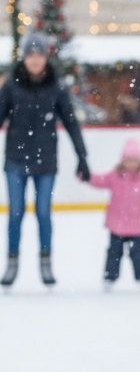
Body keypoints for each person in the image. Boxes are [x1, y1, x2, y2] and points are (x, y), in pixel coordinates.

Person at [0, 32, 89, 287]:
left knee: (43, 213)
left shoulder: (57, 86)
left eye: (39, 55)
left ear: (45, 58)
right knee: (15, 213)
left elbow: (71, 122)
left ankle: (45, 261)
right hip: (15, 159)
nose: (35, 61)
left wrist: (82, 157)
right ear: (25, 58)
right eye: (31, 55)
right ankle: (12, 262)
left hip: (46, 160)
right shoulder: (11, 84)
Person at [85, 138, 140, 289]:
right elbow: (99, 181)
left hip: (135, 226)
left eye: (134, 160)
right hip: (116, 225)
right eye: (128, 159)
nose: (131, 163)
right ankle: (109, 278)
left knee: (137, 254)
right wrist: (87, 176)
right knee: (113, 253)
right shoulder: (115, 176)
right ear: (122, 160)